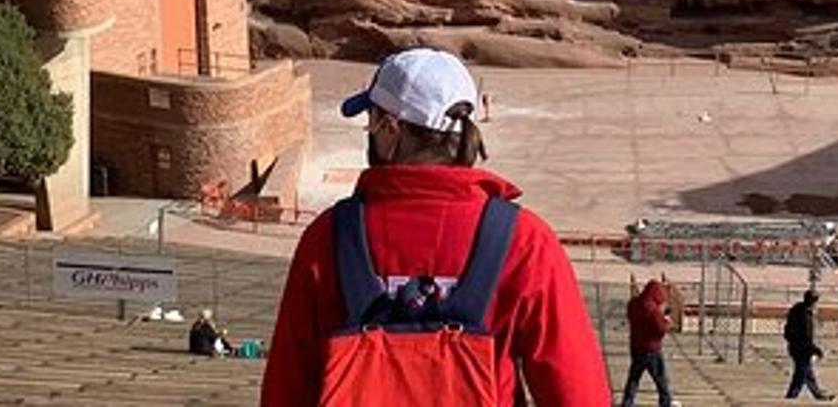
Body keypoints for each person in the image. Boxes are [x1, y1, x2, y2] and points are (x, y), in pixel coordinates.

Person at [260, 47, 609, 406]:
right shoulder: (525, 241)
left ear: (390, 128)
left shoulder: (328, 238)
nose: (370, 133)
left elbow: (286, 389)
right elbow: (578, 392)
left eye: (372, 121)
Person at [621, 277, 676, 406]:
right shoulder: (653, 310)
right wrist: (667, 321)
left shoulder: (633, 304)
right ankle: (665, 402)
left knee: (634, 377)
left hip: (636, 346)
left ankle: (627, 402)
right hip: (652, 349)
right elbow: (660, 329)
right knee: (660, 379)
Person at [783, 288, 835, 400]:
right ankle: (791, 396)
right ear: (813, 301)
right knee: (801, 374)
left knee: (807, 373)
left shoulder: (797, 309)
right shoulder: (805, 314)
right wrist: (816, 350)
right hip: (801, 349)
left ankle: (818, 394)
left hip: (796, 347)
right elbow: (806, 337)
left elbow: (790, 331)